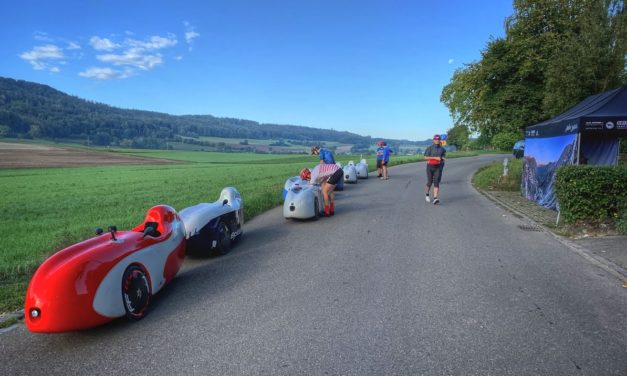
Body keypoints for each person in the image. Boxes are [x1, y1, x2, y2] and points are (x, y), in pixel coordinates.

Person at [423, 134, 446, 205]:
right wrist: (435, 158)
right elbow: (425, 158)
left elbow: (443, 157)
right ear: (433, 140)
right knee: (429, 182)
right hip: (430, 167)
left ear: (440, 140)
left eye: (438, 139)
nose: (437, 140)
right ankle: (427, 194)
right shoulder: (429, 148)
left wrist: (442, 159)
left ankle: (435, 198)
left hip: (438, 167)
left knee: (436, 183)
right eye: (436, 139)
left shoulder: (442, 149)